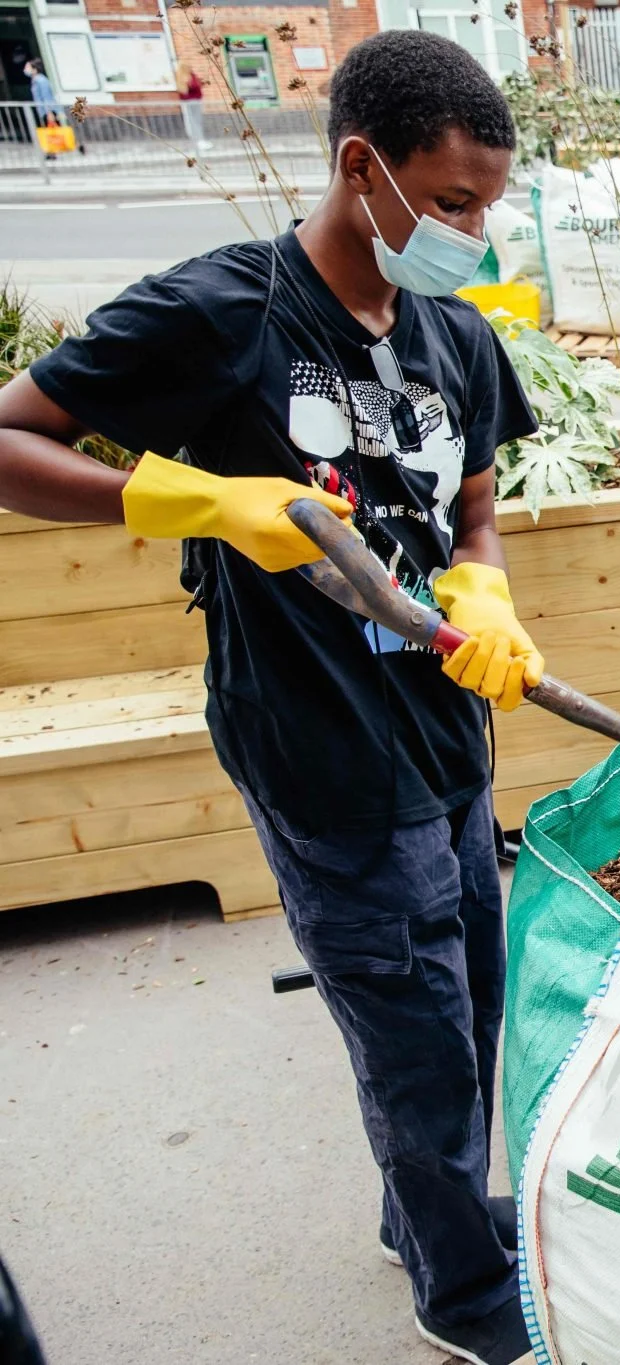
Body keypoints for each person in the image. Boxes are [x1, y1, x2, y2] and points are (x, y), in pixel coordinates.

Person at [0, 30, 540, 1365]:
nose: (476, 230)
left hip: (446, 740)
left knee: (467, 999)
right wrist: (185, 496)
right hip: (318, 753)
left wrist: (486, 593)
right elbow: (7, 439)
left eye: (491, 202)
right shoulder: (223, 315)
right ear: (363, 169)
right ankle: (464, 1299)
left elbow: (476, 511)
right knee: (412, 1032)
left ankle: (425, 1215)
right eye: (454, 202)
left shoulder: (454, 335)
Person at [26, 59, 59, 161]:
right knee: (48, 130)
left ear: (35, 69)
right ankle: (50, 152)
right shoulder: (35, 80)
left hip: (47, 110)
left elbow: (46, 97)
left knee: (53, 130)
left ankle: (77, 146)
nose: (25, 70)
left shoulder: (41, 80)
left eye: (28, 67)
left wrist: (49, 112)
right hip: (42, 110)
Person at [176, 65, 209, 152]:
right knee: (193, 121)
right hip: (190, 102)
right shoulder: (185, 77)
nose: (191, 68)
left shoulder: (190, 76)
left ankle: (199, 140)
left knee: (197, 121)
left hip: (195, 101)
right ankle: (198, 140)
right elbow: (192, 86)